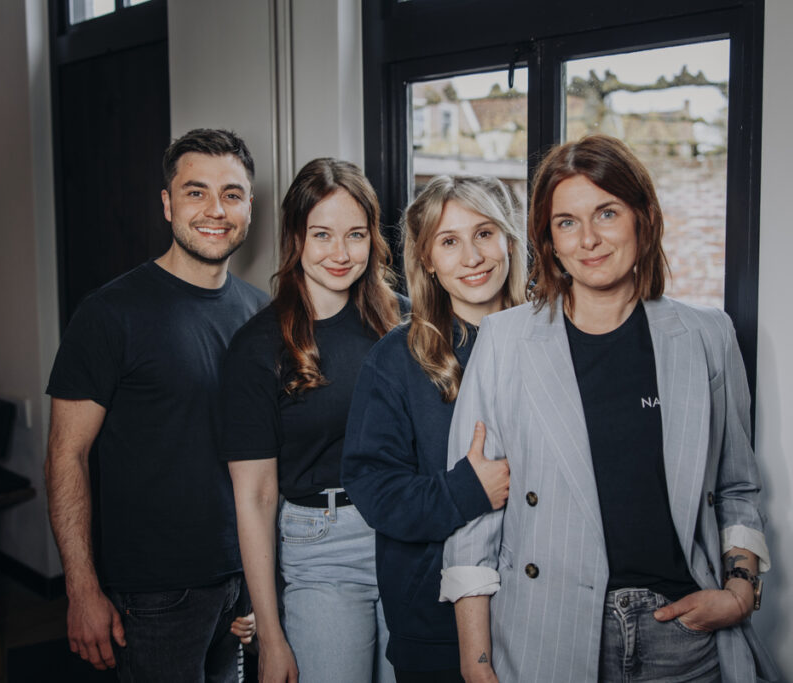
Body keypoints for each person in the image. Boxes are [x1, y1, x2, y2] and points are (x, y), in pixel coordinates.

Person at [439, 135, 779, 683]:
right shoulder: (505, 340)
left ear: (643, 218)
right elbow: (475, 515)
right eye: (567, 222)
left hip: (685, 638)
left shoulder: (707, 336)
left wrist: (741, 592)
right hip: (546, 632)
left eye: (606, 213)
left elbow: (737, 488)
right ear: (548, 240)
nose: (589, 239)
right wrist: (477, 663)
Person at [44, 129, 269, 681]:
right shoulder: (109, 314)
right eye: (196, 193)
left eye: (232, 194)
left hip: (241, 582)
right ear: (167, 204)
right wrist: (81, 589)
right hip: (154, 598)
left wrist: (265, 585)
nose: (216, 210)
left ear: (249, 207)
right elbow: (65, 456)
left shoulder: (261, 313)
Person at [220, 158, 405, 683]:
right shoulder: (258, 347)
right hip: (321, 548)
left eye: (356, 234)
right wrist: (271, 636)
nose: (341, 253)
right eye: (322, 234)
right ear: (296, 238)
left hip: (408, 537)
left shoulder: (407, 325)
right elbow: (254, 496)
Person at [341, 175, 525, 682]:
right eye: (449, 242)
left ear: (509, 240)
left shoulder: (552, 342)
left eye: (485, 233)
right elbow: (374, 489)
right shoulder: (396, 359)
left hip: (540, 610)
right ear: (427, 260)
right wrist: (468, 489)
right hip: (434, 620)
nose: (472, 256)